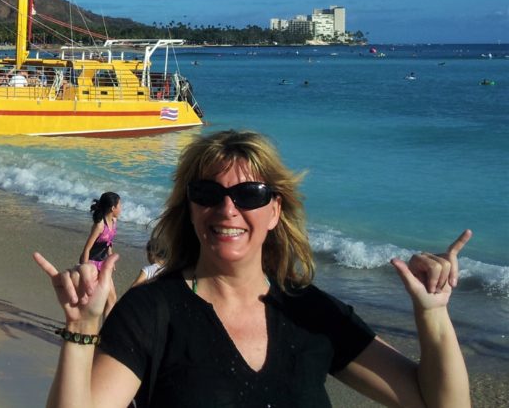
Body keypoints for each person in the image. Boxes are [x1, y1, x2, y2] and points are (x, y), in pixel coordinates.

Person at [34, 130, 472, 408]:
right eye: (207, 192)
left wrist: (433, 316)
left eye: (250, 194)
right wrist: (81, 333)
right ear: (190, 208)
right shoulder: (151, 312)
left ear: (276, 209)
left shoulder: (312, 314)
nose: (227, 209)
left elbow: (440, 403)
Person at [78, 192, 122, 318]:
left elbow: (109, 243)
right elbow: (87, 249)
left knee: (111, 298)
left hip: (103, 264)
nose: (121, 208)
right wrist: (84, 269)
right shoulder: (99, 225)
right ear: (113, 208)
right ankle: (76, 324)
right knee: (87, 299)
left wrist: (110, 259)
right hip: (91, 263)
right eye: (120, 205)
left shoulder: (114, 221)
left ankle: (105, 332)